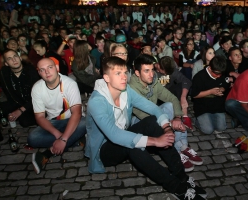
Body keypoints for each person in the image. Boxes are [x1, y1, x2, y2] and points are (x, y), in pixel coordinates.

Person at [85, 56, 207, 200]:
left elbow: (152, 108)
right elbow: (114, 135)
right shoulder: (97, 102)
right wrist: (156, 141)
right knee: (134, 145)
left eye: (125, 72)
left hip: (122, 136)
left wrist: (166, 127)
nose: (124, 77)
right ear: (106, 77)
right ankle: (177, 188)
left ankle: (182, 177)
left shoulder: (126, 91)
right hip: (104, 150)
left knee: (151, 121)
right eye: (118, 73)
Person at [129, 54, 203, 172]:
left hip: (154, 115)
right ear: (137, 73)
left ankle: (183, 145)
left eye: (152, 69)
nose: (152, 74)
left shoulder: (153, 81)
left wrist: (178, 117)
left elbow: (172, 98)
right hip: (138, 122)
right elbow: (144, 116)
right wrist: (168, 122)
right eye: (146, 71)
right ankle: (176, 151)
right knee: (160, 116)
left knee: (169, 106)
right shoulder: (131, 88)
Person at [28, 58, 86, 174]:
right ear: (39, 73)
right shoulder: (37, 88)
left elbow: (77, 113)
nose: (47, 72)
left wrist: (63, 139)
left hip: (73, 120)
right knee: (32, 138)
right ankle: (75, 139)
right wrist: (59, 136)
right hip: (53, 123)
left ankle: (47, 153)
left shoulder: (69, 84)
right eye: (42, 70)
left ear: (57, 68)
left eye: (50, 67)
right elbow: (39, 117)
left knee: (88, 122)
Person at [0, 49, 39, 127]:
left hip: (33, 103)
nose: (14, 60)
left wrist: (20, 110)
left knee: (24, 122)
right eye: (9, 58)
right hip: (17, 102)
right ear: (6, 63)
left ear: (20, 58)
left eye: (15, 56)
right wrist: (12, 111)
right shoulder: (4, 73)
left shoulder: (31, 71)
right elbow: (9, 94)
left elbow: (38, 97)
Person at [192, 56, 228, 134]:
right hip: (203, 108)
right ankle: (196, 120)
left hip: (217, 107)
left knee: (221, 127)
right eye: (216, 73)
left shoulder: (221, 73)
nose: (219, 76)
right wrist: (211, 92)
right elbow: (194, 95)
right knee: (208, 130)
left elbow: (225, 86)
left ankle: (210, 120)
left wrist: (221, 89)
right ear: (210, 68)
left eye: (221, 74)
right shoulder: (199, 77)